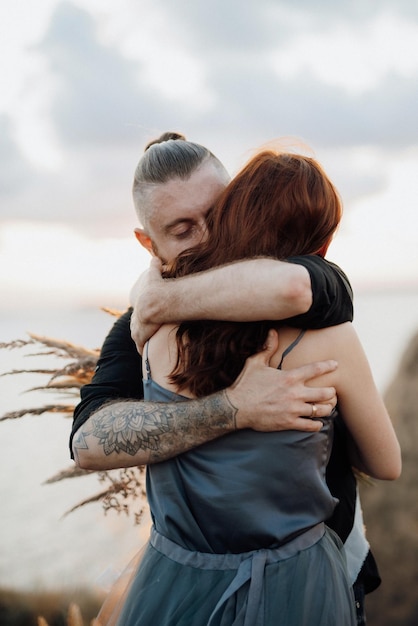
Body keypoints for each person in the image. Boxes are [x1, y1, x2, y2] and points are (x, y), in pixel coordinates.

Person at [83, 146, 400, 625]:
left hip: (304, 564)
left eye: (218, 214)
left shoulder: (160, 321)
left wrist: (160, 301)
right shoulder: (139, 327)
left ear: (239, 205)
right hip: (249, 579)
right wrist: (231, 409)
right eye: (183, 229)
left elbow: (294, 288)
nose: (210, 238)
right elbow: (88, 441)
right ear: (148, 245)